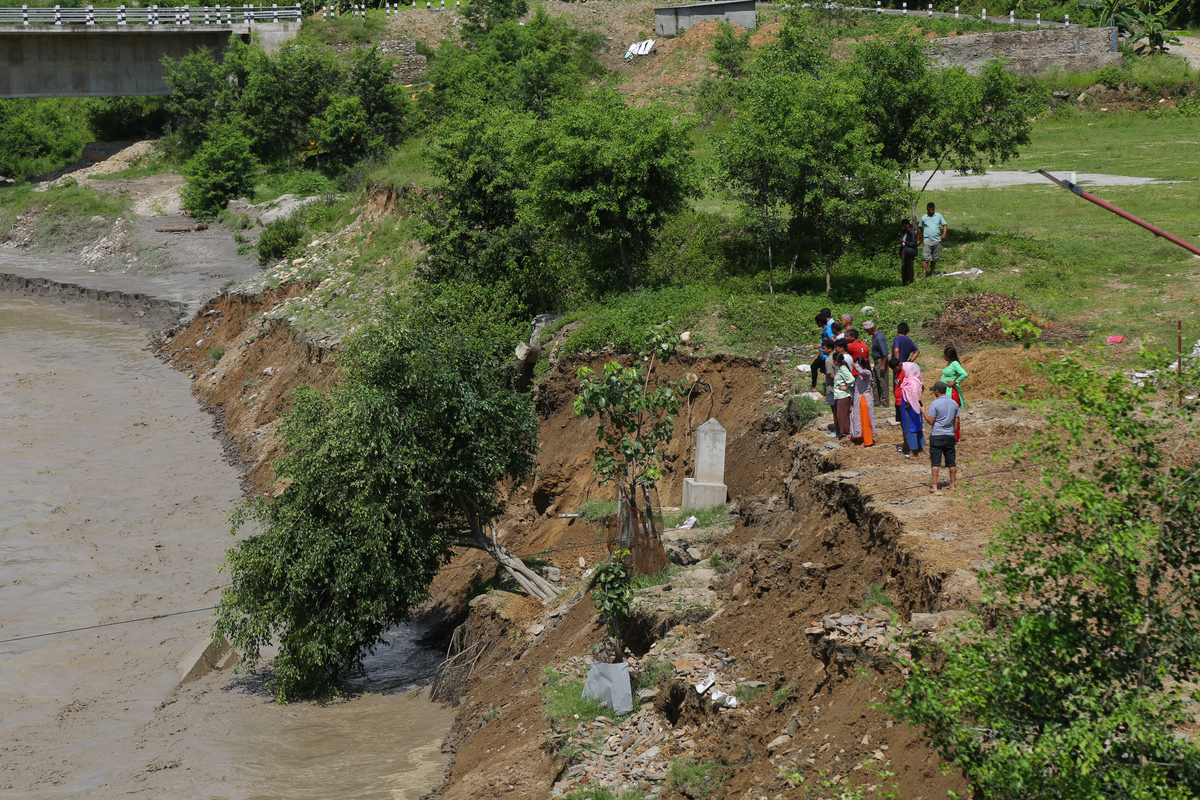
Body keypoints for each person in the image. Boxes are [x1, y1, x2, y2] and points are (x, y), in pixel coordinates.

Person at [923, 381, 959, 492]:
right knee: (951, 461)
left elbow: (930, 421)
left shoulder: (935, 404)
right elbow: (956, 421)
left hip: (937, 434)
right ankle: (952, 484)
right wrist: (953, 433)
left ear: (937, 391)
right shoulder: (954, 403)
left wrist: (923, 412)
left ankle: (934, 486)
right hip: (949, 435)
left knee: (935, 462)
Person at [940, 345, 968, 441]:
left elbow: (964, 374)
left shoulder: (955, 364)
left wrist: (955, 382)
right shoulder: (949, 364)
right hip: (946, 391)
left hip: (952, 392)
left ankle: (956, 436)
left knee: (953, 414)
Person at [899, 361, 925, 459]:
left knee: (911, 428)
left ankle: (912, 452)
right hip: (912, 406)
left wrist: (908, 404)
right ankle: (919, 447)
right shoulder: (912, 380)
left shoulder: (913, 382)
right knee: (915, 426)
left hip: (910, 407)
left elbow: (914, 396)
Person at [849, 356, 875, 447]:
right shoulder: (860, 376)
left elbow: (862, 372)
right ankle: (857, 436)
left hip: (864, 399)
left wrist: (856, 365)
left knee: (865, 421)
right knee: (856, 418)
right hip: (858, 399)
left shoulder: (867, 372)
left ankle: (867, 441)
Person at [918, 202, 948, 278]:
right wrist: (918, 239)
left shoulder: (939, 216)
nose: (930, 211)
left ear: (934, 209)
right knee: (925, 258)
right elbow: (919, 228)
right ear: (927, 209)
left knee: (934, 258)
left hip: (937, 240)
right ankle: (924, 274)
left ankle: (932, 273)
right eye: (929, 210)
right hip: (927, 240)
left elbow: (944, 225)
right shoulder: (924, 217)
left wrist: (944, 234)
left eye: (932, 209)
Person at [865, 320, 889, 407]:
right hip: (877, 362)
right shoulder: (875, 337)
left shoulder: (879, 337)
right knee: (876, 382)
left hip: (881, 361)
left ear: (870, 329)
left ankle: (885, 402)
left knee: (883, 382)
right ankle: (877, 401)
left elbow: (885, 353)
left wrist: (883, 365)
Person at [833, 352, 855, 440]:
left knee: (842, 416)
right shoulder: (841, 369)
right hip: (840, 396)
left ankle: (846, 434)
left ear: (835, 361)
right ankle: (844, 433)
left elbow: (851, 379)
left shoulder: (843, 369)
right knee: (840, 415)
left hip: (843, 396)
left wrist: (847, 386)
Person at [809, 313, 830, 390]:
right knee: (813, 366)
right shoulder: (825, 330)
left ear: (819, 322)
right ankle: (813, 386)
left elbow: (832, 341)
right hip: (822, 354)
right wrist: (817, 355)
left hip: (826, 356)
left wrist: (820, 346)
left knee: (827, 372)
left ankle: (830, 389)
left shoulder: (828, 330)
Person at [899, 219, 918, 286]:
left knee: (909, 267)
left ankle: (910, 282)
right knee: (904, 266)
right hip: (904, 250)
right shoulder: (904, 232)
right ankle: (904, 282)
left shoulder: (912, 233)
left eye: (904, 226)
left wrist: (905, 242)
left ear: (908, 225)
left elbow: (913, 244)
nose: (903, 227)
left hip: (909, 251)